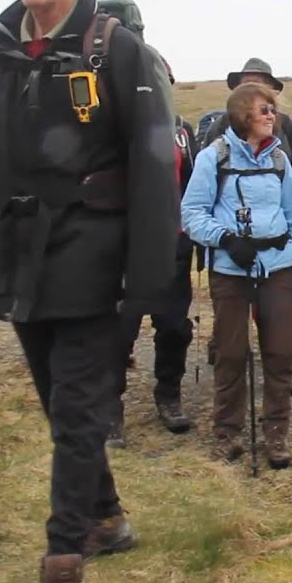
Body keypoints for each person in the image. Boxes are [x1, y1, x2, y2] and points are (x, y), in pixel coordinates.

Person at [0, 0, 179, 583]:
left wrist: (148, 278)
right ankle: (106, 518)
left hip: (93, 259)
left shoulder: (119, 51)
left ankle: (62, 567)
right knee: (59, 406)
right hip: (17, 261)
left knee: (79, 414)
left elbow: (154, 165)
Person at [182, 82, 292, 468]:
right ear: (243, 116)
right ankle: (227, 433)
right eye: (264, 110)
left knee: (280, 352)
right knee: (232, 352)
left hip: (278, 266)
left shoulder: (280, 160)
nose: (272, 116)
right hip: (231, 268)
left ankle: (276, 435)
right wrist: (225, 238)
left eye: (273, 109)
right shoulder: (212, 158)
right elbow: (191, 214)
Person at [200, 57, 292, 396]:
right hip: (231, 253)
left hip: (278, 252)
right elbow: (201, 198)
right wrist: (225, 235)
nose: (254, 89)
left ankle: (277, 391)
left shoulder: (285, 129)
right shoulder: (218, 133)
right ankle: (225, 361)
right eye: (248, 82)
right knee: (231, 333)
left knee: (277, 333)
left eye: (261, 83)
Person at [109, 111, 198, 447]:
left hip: (172, 244)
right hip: (124, 246)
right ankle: (109, 407)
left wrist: (190, 232)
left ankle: (169, 393)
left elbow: (190, 183)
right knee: (119, 329)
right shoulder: (113, 123)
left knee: (175, 326)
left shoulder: (181, 130)